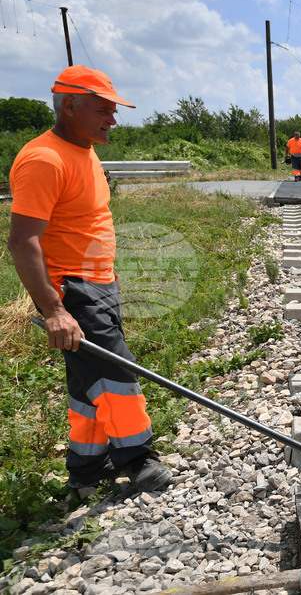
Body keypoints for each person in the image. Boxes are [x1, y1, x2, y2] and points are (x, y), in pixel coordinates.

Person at [6, 66, 173, 493]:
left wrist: (108, 279)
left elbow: (86, 222)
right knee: (116, 372)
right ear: (69, 106)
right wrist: (55, 311)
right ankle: (137, 459)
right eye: (103, 111)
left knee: (88, 383)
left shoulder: (85, 151)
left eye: (113, 111)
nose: (112, 119)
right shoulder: (45, 159)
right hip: (72, 290)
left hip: (98, 285)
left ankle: (86, 467)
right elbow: (23, 241)